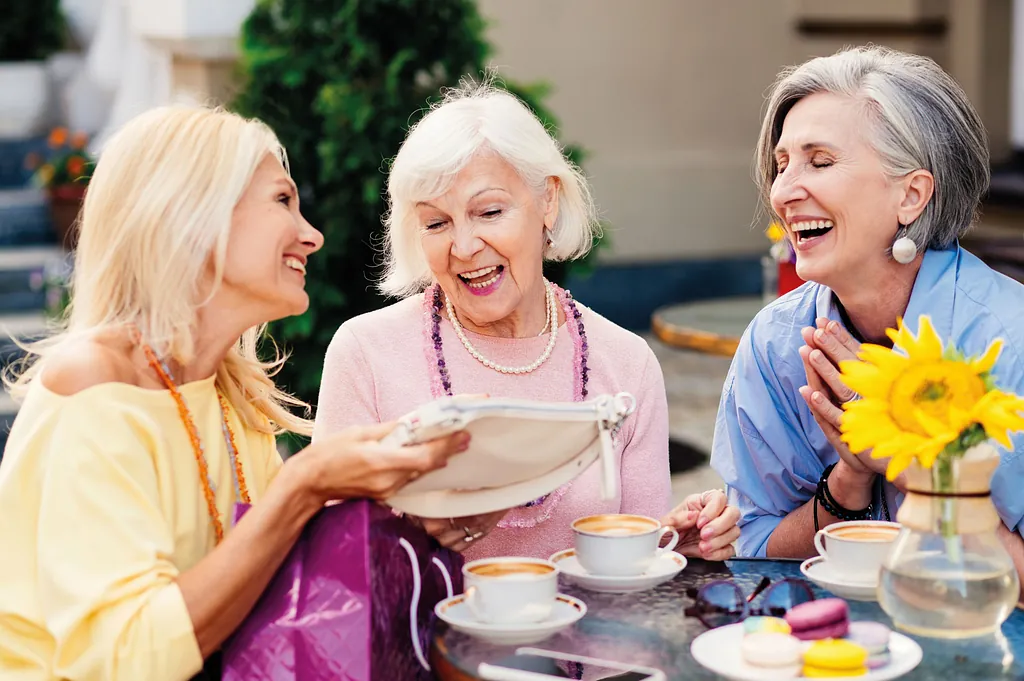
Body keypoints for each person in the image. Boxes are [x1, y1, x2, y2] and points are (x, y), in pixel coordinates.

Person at [0, 106, 468, 681]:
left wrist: (415, 512)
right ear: (194, 216)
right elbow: (125, 661)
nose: (311, 235)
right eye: (282, 201)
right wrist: (303, 483)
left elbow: (271, 580)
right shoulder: (96, 386)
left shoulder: (229, 389)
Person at [314, 81, 740, 562]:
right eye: (437, 223)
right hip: (422, 637)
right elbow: (334, 559)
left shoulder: (626, 362)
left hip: (587, 638)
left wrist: (671, 543)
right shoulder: (365, 353)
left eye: (489, 211)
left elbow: (635, 571)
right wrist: (413, 530)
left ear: (548, 202)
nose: (464, 246)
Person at [712, 45, 1024, 573]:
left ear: (912, 195)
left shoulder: (1009, 342)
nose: (784, 190)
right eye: (781, 164)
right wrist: (849, 480)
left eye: (821, 161)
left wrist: (916, 469)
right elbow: (751, 545)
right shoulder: (776, 340)